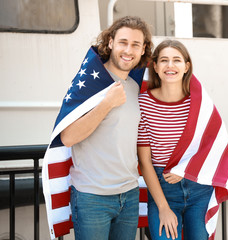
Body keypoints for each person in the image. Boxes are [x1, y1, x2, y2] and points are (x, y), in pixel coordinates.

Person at [42, 16, 153, 240]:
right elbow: (68, 137)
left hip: (129, 195)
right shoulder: (93, 83)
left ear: (143, 50)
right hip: (92, 197)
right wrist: (106, 104)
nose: (128, 50)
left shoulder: (134, 86)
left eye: (135, 45)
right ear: (110, 42)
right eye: (123, 42)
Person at [137, 39, 228, 240]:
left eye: (176, 60)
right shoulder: (143, 103)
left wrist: (186, 168)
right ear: (155, 66)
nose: (170, 65)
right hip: (163, 191)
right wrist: (163, 208)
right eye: (163, 60)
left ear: (186, 66)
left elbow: (217, 144)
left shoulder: (199, 102)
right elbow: (145, 161)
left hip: (199, 190)